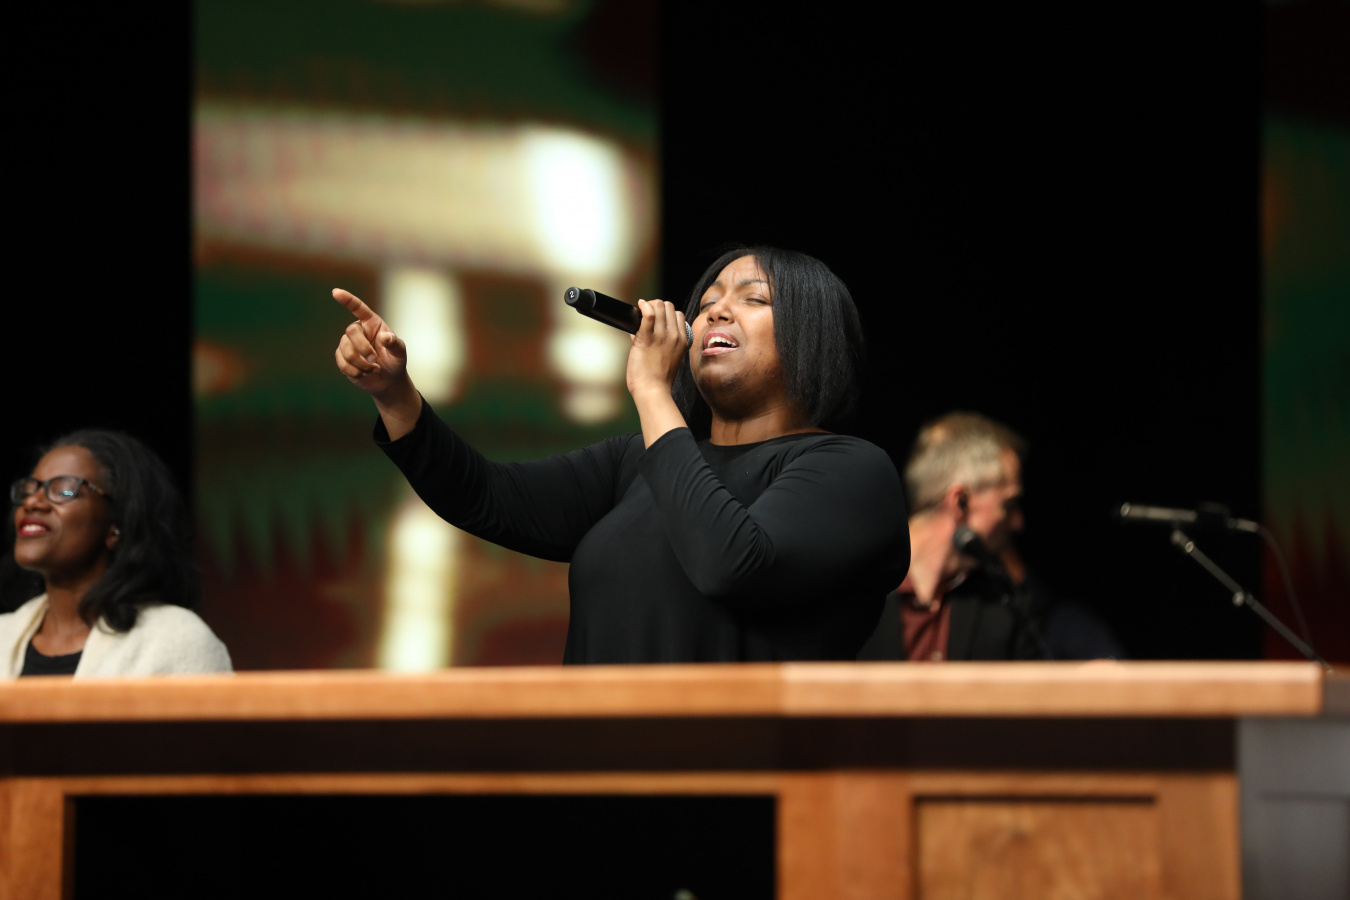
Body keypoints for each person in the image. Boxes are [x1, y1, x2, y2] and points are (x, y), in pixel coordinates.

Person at [333, 246, 910, 663]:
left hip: (735, 776)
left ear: (813, 336)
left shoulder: (851, 471)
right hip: (596, 767)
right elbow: (487, 497)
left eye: (753, 298)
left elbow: (733, 565)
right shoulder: (633, 464)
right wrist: (396, 395)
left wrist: (653, 391)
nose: (714, 312)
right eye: (707, 302)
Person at [858, 412, 1122, 661]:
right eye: (1008, 505)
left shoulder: (1005, 603)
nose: (1017, 523)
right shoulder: (853, 584)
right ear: (959, 502)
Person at [0, 430, 233, 678]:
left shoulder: (176, 640)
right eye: (28, 490)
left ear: (117, 523)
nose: (32, 502)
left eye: (65, 490)